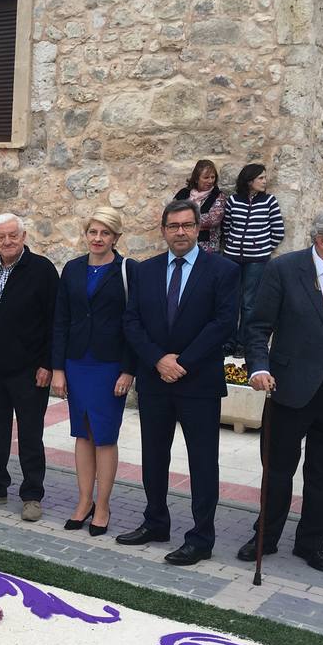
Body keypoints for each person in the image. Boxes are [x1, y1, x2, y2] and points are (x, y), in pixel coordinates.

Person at [239, 207, 323, 573]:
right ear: (322, 240)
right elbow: (257, 326)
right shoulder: (284, 269)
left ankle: (311, 543)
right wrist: (259, 367)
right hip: (290, 388)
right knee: (279, 469)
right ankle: (265, 537)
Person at [119, 199, 239, 566]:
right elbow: (131, 322)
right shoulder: (145, 271)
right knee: (154, 456)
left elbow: (222, 323)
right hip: (155, 380)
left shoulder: (223, 270)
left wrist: (181, 362)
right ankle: (155, 521)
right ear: (164, 230)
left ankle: (201, 537)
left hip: (198, 382)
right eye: (174, 226)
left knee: (203, 463)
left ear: (199, 227)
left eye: (187, 225)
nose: (181, 232)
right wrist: (158, 360)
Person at [0, 213, 58, 521]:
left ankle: (32, 494)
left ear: (24, 236)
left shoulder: (42, 271)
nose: (7, 241)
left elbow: (55, 321)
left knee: (30, 435)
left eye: (12, 235)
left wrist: (48, 364)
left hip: (29, 372)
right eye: (1, 237)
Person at [50, 207, 137, 536]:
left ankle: (103, 505)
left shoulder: (128, 270)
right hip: (76, 362)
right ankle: (83, 501)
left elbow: (134, 323)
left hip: (110, 364)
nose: (98, 239)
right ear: (86, 235)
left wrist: (129, 370)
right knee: (81, 433)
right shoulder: (72, 269)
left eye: (105, 233)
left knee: (104, 436)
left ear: (116, 237)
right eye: (93, 232)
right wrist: (58, 368)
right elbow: (61, 320)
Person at [221, 164, 284, 356]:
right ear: (250, 181)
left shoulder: (269, 201)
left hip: (256, 260)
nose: (264, 181)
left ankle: (242, 343)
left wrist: (261, 247)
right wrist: (233, 243)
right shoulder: (233, 200)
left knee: (249, 303)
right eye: (261, 178)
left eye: (265, 178)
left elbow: (278, 231)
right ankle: (228, 341)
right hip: (232, 257)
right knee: (230, 301)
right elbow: (227, 226)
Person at [173, 159, 225, 253]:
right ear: (197, 179)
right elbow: (171, 215)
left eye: (212, 177)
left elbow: (212, 220)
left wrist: (183, 220)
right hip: (183, 246)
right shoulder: (183, 194)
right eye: (206, 177)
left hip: (207, 249)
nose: (210, 181)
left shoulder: (218, 196)